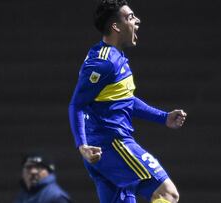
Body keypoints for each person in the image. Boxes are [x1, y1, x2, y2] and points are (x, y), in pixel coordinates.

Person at [68, 0, 187, 203]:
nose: (137, 20)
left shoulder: (114, 57)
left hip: (105, 149)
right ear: (116, 26)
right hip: (112, 144)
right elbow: (77, 104)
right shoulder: (104, 62)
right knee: (168, 194)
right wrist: (82, 145)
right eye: (130, 17)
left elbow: (125, 100)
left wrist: (163, 118)